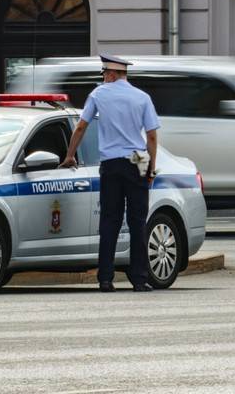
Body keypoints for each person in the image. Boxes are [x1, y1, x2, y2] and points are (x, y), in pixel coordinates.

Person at [60, 54, 160, 292]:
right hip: (138, 159)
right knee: (138, 222)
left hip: (111, 162)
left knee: (109, 220)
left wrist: (70, 155)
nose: (104, 78)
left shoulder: (98, 94)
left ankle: (105, 278)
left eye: (105, 74)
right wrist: (151, 168)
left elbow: (82, 125)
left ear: (112, 74)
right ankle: (139, 279)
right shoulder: (142, 97)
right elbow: (152, 136)